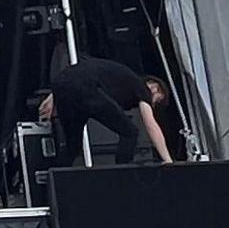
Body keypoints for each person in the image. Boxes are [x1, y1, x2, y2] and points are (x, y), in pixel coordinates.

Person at [41, 55, 173, 164]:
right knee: (130, 132)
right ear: (153, 86)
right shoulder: (142, 88)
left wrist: (54, 95)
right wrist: (167, 159)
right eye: (157, 99)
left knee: (73, 146)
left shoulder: (121, 77)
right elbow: (150, 125)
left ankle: (53, 176)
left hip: (64, 84)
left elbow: (82, 71)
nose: (153, 102)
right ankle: (123, 173)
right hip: (86, 88)